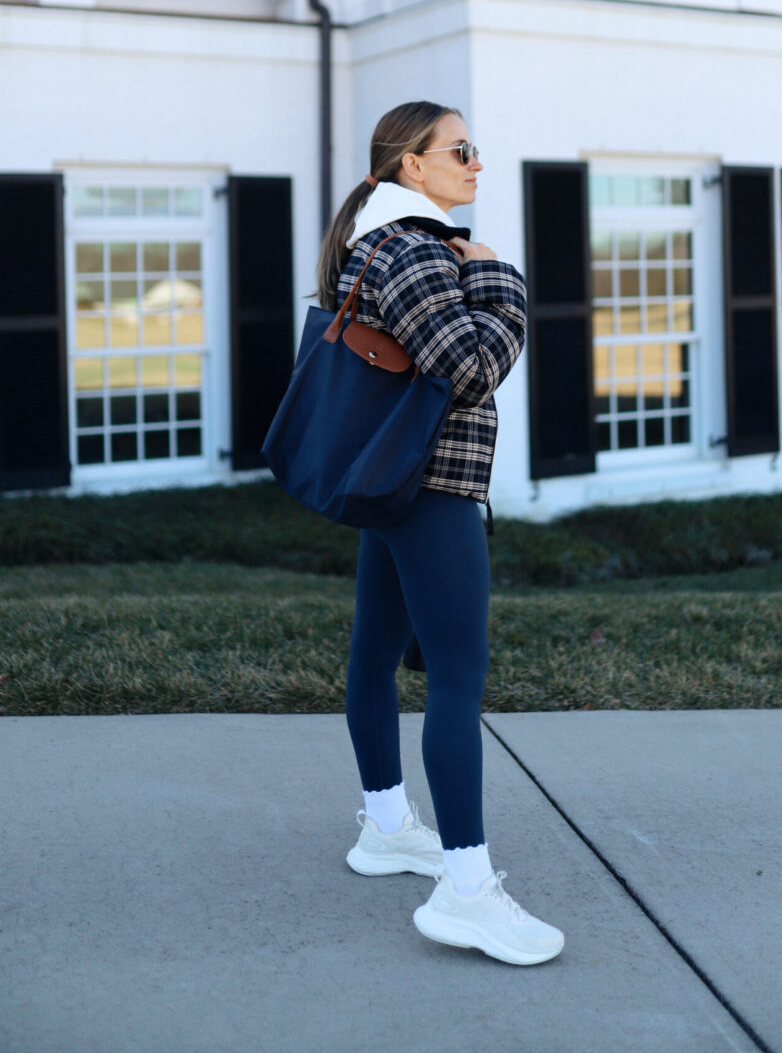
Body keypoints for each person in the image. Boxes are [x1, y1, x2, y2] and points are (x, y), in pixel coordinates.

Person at [315, 100, 564, 967]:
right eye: (461, 151)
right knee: (457, 679)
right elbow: (473, 367)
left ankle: (386, 828)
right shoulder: (417, 250)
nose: (476, 164)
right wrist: (499, 278)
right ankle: (466, 889)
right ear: (411, 166)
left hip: (395, 483)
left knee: (375, 653)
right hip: (432, 489)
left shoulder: (376, 244)